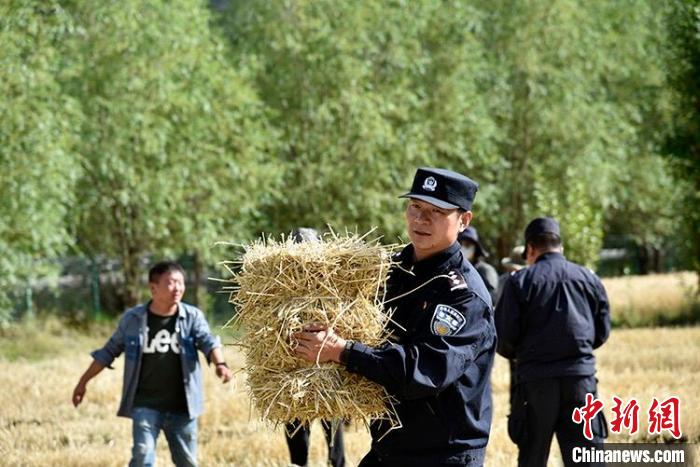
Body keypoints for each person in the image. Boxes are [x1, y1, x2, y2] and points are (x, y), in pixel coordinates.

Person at [294, 167, 496, 467]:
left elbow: (424, 371)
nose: (420, 219)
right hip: (390, 447)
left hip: (443, 455)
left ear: (464, 220)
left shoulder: (464, 296)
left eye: (436, 211)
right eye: (415, 206)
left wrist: (342, 351)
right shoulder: (390, 271)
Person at [72, 261, 232, 467]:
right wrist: (83, 381)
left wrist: (221, 364)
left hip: (182, 406)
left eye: (180, 282)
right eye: (171, 283)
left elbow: (208, 341)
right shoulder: (133, 319)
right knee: (142, 455)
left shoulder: (192, 317)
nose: (178, 288)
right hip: (145, 404)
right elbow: (108, 352)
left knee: (188, 463)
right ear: (153, 288)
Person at [495, 218, 611, 467]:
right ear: (561, 247)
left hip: (535, 385)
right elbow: (601, 332)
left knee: (533, 458)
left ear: (530, 250)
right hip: (581, 382)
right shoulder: (589, 278)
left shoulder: (519, 282)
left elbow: (503, 337)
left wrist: (526, 355)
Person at [285, 228, 346, 467]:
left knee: (333, 427)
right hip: (293, 369)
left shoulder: (332, 280)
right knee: (296, 425)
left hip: (328, 365)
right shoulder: (281, 279)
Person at [458, 226, 499, 303]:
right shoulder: (454, 270)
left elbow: (492, 298)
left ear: (475, 248)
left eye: (467, 245)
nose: (463, 248)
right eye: (460, 244)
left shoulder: (486, 270)